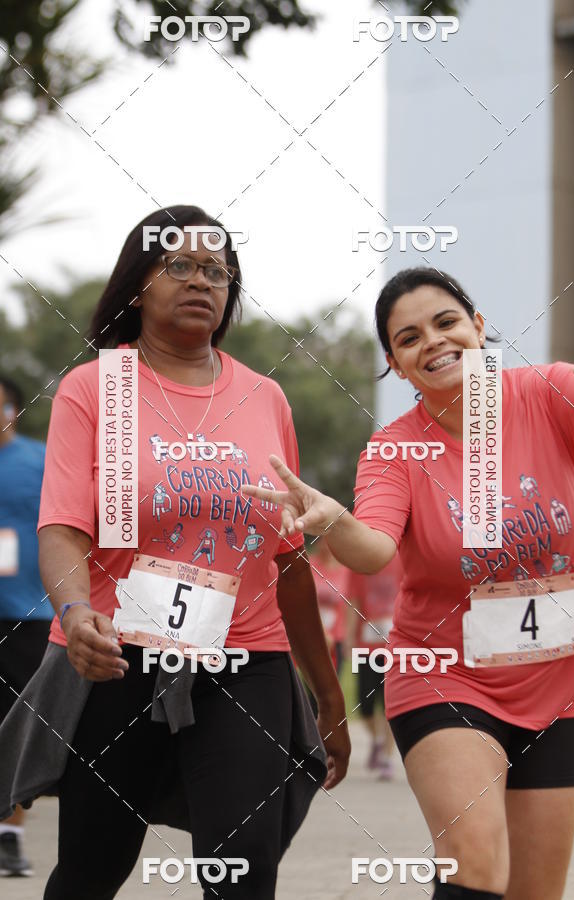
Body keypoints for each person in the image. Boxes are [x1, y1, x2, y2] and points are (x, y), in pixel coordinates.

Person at [0, 205, 349, 900]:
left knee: (243, 865)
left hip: (245, 659)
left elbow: (287, 560)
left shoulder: (264, 398)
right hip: (117, 657)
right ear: (137, 286)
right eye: (179, 265)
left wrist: (330, 698)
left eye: (217, 271)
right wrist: (75, 612)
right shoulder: (96, 388)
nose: (201, 281)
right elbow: (63, 527)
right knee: (93, 867)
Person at [243, 267, 574, 900]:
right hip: (447, 677)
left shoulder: (549, 395)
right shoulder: (395, 450)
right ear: (395, 364)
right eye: (408, 338)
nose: (432, 341)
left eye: (445, 322)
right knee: (475, 865)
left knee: (535, 892)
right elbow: (375, 549)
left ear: (478, 327)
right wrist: (335, 520)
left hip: (562, 682)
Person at [0, 376, 50, 877]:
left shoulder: (41, 461)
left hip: (29, 615)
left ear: (13, 410)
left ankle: (9, 835)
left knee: (19, 727)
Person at [348, 556, 402, 781]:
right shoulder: (360, 561)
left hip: (395, 645)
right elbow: (354, 603)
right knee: (365, 704)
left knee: (391, 703)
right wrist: (349, 639)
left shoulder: (402, 560)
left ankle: (387, 758)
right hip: (366, 645)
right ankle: (377, 740)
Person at [310, 537, 349, 673]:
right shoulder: (309, 565)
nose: (325, 545)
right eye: (322, 541)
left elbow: (348, 605)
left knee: (334, 678)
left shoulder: (346, 570)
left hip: (337, 636)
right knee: (311, 680)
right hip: (312, 634)